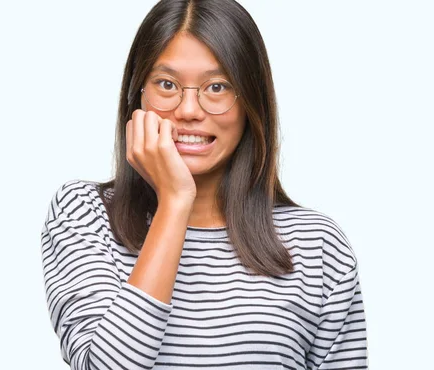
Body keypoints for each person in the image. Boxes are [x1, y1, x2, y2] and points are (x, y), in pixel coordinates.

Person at [40, 0, 368, 368]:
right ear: (138, 96)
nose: (189, 110)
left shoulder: (317, 245)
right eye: (167, 84)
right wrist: (175, 203)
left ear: (251, 103)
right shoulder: (85, 214)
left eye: (217, 87)